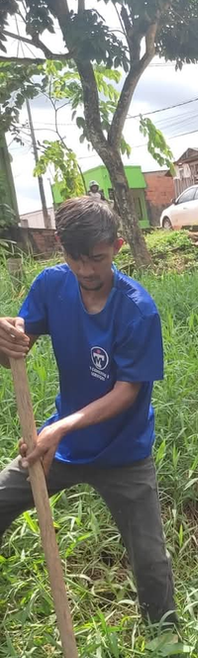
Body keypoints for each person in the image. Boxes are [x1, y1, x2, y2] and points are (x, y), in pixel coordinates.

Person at [0, 197, 176, 626]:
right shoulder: (50, 285)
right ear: (60, 245)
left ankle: (168, 647)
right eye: (74, 258)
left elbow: (126, 394)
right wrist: (6, 340)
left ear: (116, 246)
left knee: (150, 560)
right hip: (59, 447)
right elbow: (16, 353)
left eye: (96, 258)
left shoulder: (137, 309)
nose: (86, 270)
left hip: (124, 455)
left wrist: (59, 428)